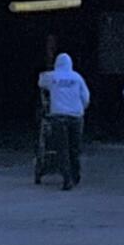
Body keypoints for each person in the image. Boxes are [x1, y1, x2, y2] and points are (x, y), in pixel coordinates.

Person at [38, 52, 89, 190]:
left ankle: (67, 179)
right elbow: (85, 96)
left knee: (62, 149)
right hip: (76, 116)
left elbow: (40, 82)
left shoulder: (52, 76)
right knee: (75, 147)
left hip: (58, 115)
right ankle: (76, 174)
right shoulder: (77, 77)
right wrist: (81, 109)